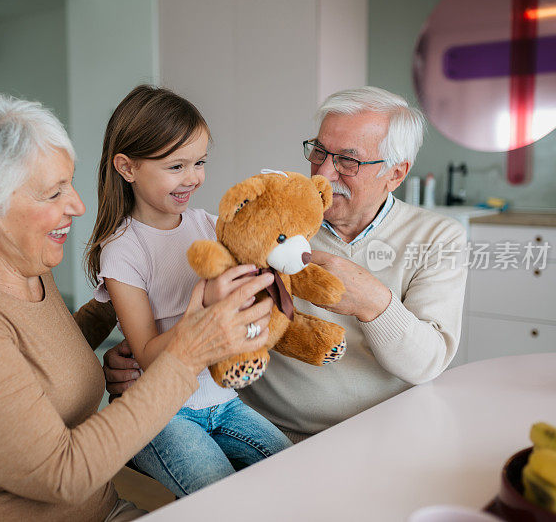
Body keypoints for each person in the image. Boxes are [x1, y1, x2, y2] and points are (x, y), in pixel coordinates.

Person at [0, 92, 275, 521]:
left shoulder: (26, 268)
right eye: (53, 193)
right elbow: (63, 475)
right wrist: (186, 351)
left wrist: (125, 323)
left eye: (71, 184)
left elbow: (33, 347)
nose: (78, 206)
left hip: (98, 510)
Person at [104, 86, 468, 443]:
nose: (323, 174)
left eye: (348, 160)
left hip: (377, 437)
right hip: (263, 428)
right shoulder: (267, 221)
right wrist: (128, 352)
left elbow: (427, 364)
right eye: (319, 152)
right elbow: (147, 275)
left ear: (396, 173)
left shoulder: (438, 237)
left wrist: (373, 303)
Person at [84, 85, 292, 498]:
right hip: (161, 414)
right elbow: (145, 353)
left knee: (293, 467)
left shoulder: (205, 223)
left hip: (224, 400)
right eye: (176, 166)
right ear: (127, 168)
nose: (193, 178)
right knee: (219, 495)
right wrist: (208, 313)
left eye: (199, 162)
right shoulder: (123, 249)